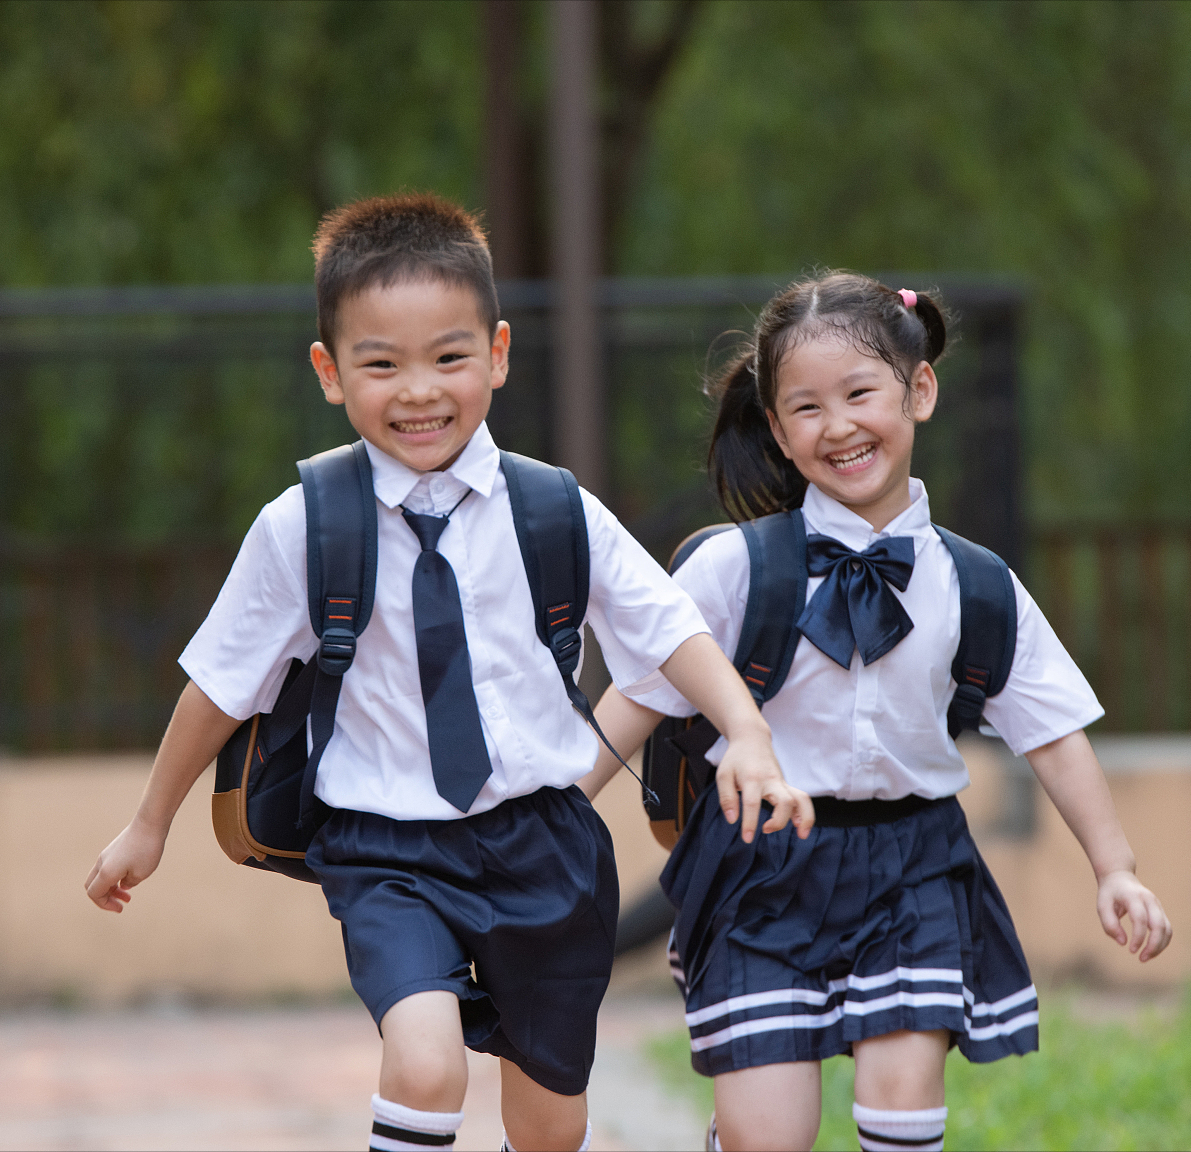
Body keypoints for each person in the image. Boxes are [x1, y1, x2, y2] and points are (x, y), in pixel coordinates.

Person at [83, 192, 814, 1152]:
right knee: (422, 1063)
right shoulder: (306, 524)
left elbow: (668, 629)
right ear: (329, 372)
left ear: (498, 354)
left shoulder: (553, 510)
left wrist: (749, 733)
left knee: (548, 1123)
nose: (418, 389)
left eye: (449, 357)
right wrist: (149, 823)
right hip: (388, 852)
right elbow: (219, 684)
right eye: (380, 363)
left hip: (544, 849)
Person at [579, 271, 1174, 1152]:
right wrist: (552, 816)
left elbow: (1050, 732)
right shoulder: (735, 570)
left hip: (914, 869)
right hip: (760, 872)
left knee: (903, 1118)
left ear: (918, 390)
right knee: (767, 1136)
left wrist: (1114, 868)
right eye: (807, 407)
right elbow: (636, 695)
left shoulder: (976, 584)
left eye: (861, 393)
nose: (840, 425)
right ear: (777, 430)